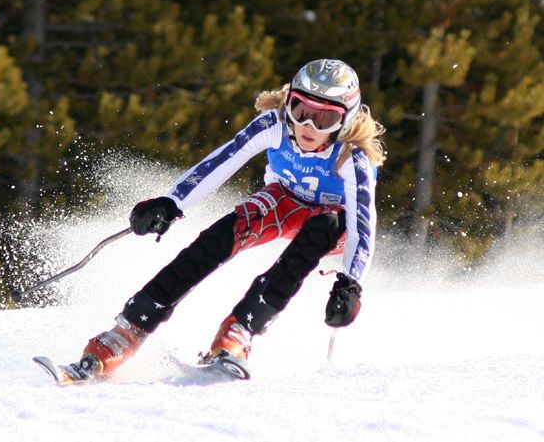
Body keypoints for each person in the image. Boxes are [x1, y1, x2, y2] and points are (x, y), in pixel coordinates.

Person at [59, 58, 385, 382]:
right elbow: (222, 161)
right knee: (224, 233)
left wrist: (351, 282)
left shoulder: (352, 156)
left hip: (335, 226)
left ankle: (240, 331)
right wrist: (172, 202)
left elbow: (362, 222)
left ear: (345, 121)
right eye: (301, 111)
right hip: (285, 201)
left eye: (324, 118)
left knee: (323, 227)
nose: (308, 128)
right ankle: (130, 327)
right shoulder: (274, 126)